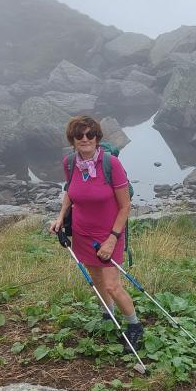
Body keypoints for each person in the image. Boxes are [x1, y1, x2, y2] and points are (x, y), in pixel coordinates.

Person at [49, 115, 143, 350]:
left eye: (90, 134)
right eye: (79, 135)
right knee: (97, 280)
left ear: (97, 137)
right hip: (82, 233)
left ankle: (134, 326)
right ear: (72, 139)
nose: (85, 139)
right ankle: (108, 316)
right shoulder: (70, 163)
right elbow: (70, 190)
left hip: (110, 233)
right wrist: (61, 217)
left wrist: (112, 239)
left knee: (112, 285)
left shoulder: (111, 164)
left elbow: (125, 207)